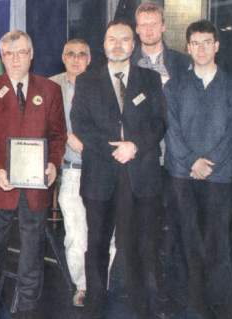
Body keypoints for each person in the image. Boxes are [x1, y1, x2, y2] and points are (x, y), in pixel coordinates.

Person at [71, 20, 165, 319]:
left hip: (141, 177)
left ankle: (143, 307)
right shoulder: (86, 81)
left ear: (133, 44)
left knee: (140, 246)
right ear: (104, 44)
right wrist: (116, 149)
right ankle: (95, 306)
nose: (118, 44)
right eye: (112, 39)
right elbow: (81, 125)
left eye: (124, 39)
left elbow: (160, 123)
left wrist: (134, 146)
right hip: (100, 176)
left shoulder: (150, 80)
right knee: (96, 245)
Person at [0, 30, 67, 319]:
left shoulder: (50, 90)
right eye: (9, 54)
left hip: (36, 187)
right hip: (0, 185)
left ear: (32, 54)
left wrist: (53, 164)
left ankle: (27, 306)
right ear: (2, 57)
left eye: (21, 52)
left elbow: (57, 135)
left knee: (32, 250)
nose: (15, 59)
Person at [164, 20, 232, 319]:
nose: (202, 48)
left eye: (208, 42)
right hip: (183, 174)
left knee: (217, 241)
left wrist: (210, 163)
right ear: (188, 47)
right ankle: (191, 305)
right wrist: (192, 161)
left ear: (217, 46)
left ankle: (220, 305)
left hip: (220, 176)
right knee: (186, 240)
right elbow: (171, 129)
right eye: (196, 43)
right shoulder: (174, 86)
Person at [132, 2, 192, 313]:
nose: (149, 29)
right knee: (148, 233)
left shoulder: (183, 64)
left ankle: (178, 292)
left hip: (180, 163)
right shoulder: (127, 64)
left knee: (180, 229)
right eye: (143, 24)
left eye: (154, 23)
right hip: (143, 164)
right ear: (136, 27)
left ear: (164, 26)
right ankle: (152, 296)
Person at [50, 38, 92, 307]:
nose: (76, 59)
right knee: (76, 234)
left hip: (103, 170)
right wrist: (66, 137)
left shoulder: (104, 84)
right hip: (71, 171)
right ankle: (83, 285)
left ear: (89, 59)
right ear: (63, 58)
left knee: (106, 235)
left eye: (81, 54)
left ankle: (101, 284)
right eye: (70, 54)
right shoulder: (50, 86)